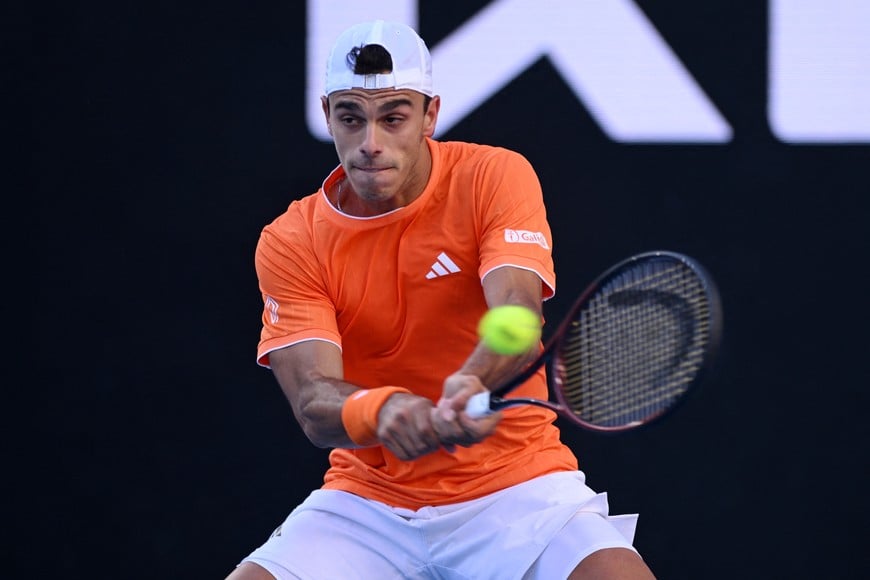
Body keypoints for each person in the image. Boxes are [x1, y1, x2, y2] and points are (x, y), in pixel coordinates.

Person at [227, 20, 656, 580]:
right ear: (328, 113)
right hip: (368, 503)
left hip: (519, 487)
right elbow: (313, 402)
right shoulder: (291, 239)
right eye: (351, 117)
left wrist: (472, 378)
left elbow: (518, 314)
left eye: (394, 117)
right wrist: (384, 410)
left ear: (430, 116)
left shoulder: (494, 176)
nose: (370, 142)